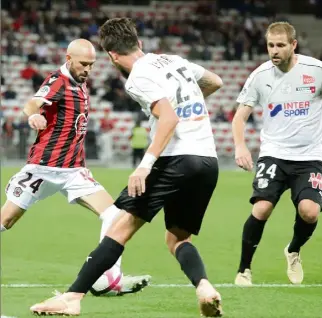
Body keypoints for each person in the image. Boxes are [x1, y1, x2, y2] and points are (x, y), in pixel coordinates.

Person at [30, 18, 224, 317]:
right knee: (177, 239)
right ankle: (204, 287)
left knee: (119, 228)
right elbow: (214, 82)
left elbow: (169, 119)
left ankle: (72, 298)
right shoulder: (173, 60)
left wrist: (144, 166)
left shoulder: (137, 77)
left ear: (111, 56)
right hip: (208, 160)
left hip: (175, 158)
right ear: (139, 43)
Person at [1, 38, 150, 295]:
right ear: (69, 59)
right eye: (83, 64)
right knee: (7, 219)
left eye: (92, 64)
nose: (88, 69)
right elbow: (32, 103)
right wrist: (34, 115)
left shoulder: (81, 84)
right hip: (42, 168)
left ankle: (109, 279)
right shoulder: (58, 79)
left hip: (74, 172)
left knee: (114, 215)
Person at [232, 22, 322, 286]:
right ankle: (244, 270)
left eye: (281, 45)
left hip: (311, 156)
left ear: (293, 45)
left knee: (310, 212)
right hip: (274, 153)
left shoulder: (317, 71)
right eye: (271, 45)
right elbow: (239, 117)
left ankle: (294, 250)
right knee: (261, 208)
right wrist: (240, 146)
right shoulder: (260, 75)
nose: (274, 50)